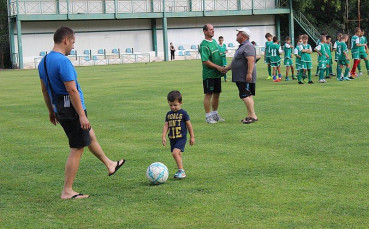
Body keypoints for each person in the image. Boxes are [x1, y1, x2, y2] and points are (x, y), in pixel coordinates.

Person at [38, 26, 125, 200]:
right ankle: (67, 190)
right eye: (73, 42)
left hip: (60, 107)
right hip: (71, 107)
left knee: (89, 135)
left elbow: (44, 90)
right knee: (77, 147)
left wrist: (51, 110)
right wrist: (82, 115)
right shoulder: (63, 61)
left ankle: (110, 164)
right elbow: (72, 90)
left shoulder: (44, 61)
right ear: (65, 40)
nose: (73, 46)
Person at [224, 27, 258, 124]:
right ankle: (250, 115)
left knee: (244, 95)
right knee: (247, 95)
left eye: (238, 33)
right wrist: (227, 68)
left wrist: (249, 73)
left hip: (244, 76)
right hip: (241, 76)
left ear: (243, 35)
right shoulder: (242, 46)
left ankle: (253, 116)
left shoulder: (248, 46)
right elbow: (236, 61)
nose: (236, 35)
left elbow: (251, 60)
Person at [162, 91, 195, 179]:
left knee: (175, 153)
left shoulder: (183, 113)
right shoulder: (169, 114)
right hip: (172, 138)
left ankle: (181, 171)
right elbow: (166, 125)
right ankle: (181, 170)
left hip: (181, 138)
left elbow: (189, 125)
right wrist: (163, 136)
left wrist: (192, 137)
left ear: (180, 103)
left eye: (175, 105)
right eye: (171, 105)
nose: (173, 107)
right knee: (178, 154)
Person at [199, 24, 225, 124]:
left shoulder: (214, 41)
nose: (213, 31)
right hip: (209, 74)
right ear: (205, 32)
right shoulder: (204, 45)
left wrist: (222, 67)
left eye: (213, 29)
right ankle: (208, 116)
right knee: (208, 94)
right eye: (210, 30)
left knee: (217, 94)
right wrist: (217, 67)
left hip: (217, 74)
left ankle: (215, 114)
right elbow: (205, 61)